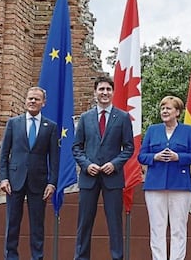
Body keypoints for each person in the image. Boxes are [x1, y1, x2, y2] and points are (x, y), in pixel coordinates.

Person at [72, 76, 135, 260]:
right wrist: (86, 164)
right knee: (84, 223)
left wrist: (114, 164)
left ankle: (117, 257)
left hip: (112, 178)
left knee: (115, 223)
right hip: (88, 178)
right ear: (95, 93)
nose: (105, 93)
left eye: (108, 89)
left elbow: (129, 147)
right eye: (101, 89)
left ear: (113, 93)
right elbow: (77, 147)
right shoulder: (85, 118)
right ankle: (81, 257)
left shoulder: (122, 117)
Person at [0, 86, 59, 260]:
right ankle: (11, 256)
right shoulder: (13, 123)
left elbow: (54, 158)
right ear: (25, 100)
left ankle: (37, 257)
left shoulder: (51, 127)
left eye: (37, 99)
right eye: (30, 98)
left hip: (39, 182)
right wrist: (3, 178)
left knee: (37, 225)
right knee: (12, 224)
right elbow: (4, 153)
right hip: (14, 181)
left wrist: (52, 182)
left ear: (43, 103)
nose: (33, 101)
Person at [138, 96, 191, 260]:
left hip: (180, 185)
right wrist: (155, 157)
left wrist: (178, 157)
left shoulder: (188, 131)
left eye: (168, 108)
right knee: (157, 228)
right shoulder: (153, 130)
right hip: (155, 185)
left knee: (178, 229)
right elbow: (141, 156)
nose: (164, 111)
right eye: (162, 108)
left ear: (177, 112)